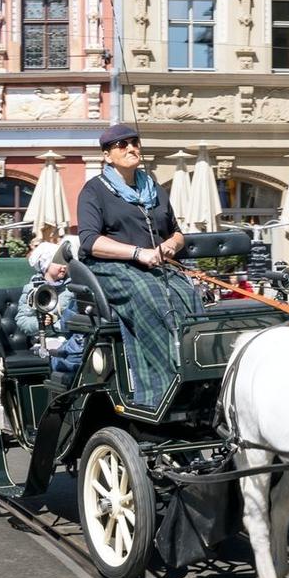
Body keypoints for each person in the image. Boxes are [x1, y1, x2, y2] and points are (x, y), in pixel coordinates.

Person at [76, 123, 192, 410]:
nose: (131, 148)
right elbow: (90, 241)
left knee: (189, 293)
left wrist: (170, 246)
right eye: (122, 145)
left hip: (156, 265)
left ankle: (194, 373)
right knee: (148, 294)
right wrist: (137, 253)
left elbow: (177, 233)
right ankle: (160, 391)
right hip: (110, 267)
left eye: (134, 142)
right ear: (107, 155)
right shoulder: (94, 190)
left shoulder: (153, 188)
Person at [14, 253, 87, 383]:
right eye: (58, 263)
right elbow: (22, 320)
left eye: (65, 263)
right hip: (47, 339)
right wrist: (41, 323)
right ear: (46, 266)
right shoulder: (33, 289)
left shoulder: (72, 287)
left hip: (72, 335)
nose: (63, 267)